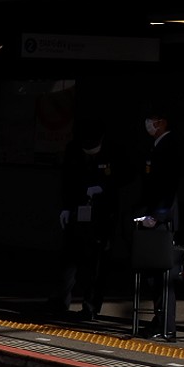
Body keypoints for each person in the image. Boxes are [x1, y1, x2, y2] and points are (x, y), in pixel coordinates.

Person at [56, 120, 114, 321]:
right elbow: (67, 180)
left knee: (96, 262)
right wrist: (66, 207)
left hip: (101, 214)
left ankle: (90, 305)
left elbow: (123, 176)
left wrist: (103, 188)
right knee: (69, 257)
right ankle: (60, 300)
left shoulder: (111, 152)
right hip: (77, 209)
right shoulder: (73, 151)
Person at [135, 108, 182, 339]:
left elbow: (168, 187)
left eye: (152, 120)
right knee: (154, 274)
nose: (148, 124)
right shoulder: (158, 147)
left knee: (162, 275)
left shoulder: (169, 146)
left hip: (161, 220)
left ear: (162, 122)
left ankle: (166, 326)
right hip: (153, 217)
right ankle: (160, 321)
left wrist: (157, 216)